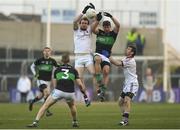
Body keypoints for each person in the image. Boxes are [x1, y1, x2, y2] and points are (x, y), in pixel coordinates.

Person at [27, 52, 90, 128]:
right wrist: (85, 95)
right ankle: (75, 122)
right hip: (70, 93)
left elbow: (54, 83)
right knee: (72, 106)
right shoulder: (74, 70)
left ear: (61, 60)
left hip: (59, 91)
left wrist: (57, 92)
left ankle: (35, 122)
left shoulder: (57, 70)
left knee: (45, 106)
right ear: (69, 60)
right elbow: (80, 84)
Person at [92, 11, 120, 101]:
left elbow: (118, 25)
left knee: (107, 71)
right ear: (103, 27)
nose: (107, 28)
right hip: (98, 54)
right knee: (97, 59)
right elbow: (92, 29)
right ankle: (99, 79)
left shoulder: (113, 34)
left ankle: (103, 90)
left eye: (108, 26)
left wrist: (111, 16)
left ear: (110, 27)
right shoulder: (100, 32)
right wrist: (97, 20)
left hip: (106, 56)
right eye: (105, 26)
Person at [73, 3, 99, 97]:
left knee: (94, 73)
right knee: (79, 79)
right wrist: (83, 12)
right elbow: (74, 21)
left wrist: (94, 12)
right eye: (82, 23)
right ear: (80, 24)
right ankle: (85, 95)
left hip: (87, 56)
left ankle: (98, 91)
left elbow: (96, 20)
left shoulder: (90, 29)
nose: (84, 24)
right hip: (78, 57)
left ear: (87, 24)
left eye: (85, 23)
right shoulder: (76, 30)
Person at [110, 45, 139, 126]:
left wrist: (108, 55)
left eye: (129, 49)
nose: (127, 49)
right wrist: (109, 54)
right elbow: (115, 61)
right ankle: (125, 120)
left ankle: (125, 121)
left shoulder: (131, 61)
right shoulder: (126, 59)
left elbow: (117, 63)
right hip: (127, 84)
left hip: (132, 83)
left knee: (127, 100)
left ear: (132, 52)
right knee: (120, 102)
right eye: (127, 48)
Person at [29, 47, 59, 116]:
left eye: (48, 51)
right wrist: (35, 74)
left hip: (48, 81)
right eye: (45, 51)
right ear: (43, 52)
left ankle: (32, 102)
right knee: (47, 93)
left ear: (50, 52)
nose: (47, 52)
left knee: (41, 96)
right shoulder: (40, 60)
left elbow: (58, 67)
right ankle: (47, 111)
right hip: (40, 80)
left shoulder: (52, 61)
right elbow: (32, 66)